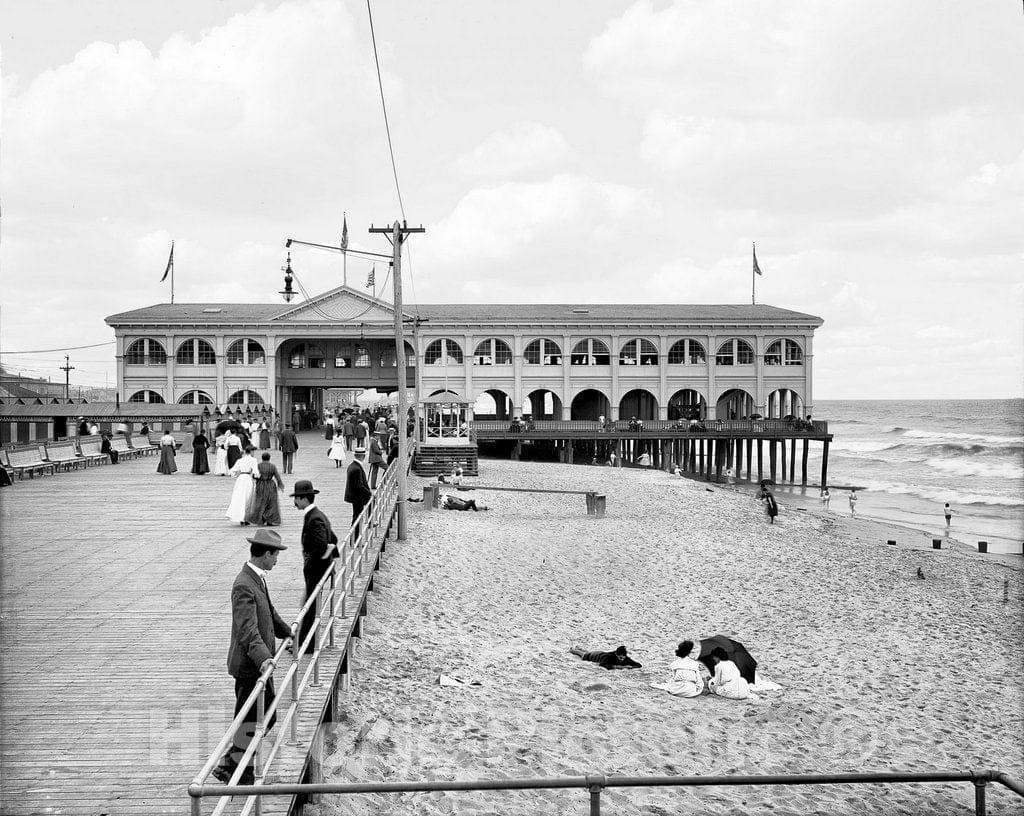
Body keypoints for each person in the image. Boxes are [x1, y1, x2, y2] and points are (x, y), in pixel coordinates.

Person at [212, 529, 292, 786]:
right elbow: (247, 630)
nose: (277, 561)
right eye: (275, 555)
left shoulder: (257, 578)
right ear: (265, 554)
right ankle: (231, 768)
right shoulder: (243, 584)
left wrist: (289, 632)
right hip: (250, 666)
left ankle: (235, 767)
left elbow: (269, 611)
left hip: (259, 663)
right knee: (251, 719)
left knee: (263, 716)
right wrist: (263, 659)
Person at [290, 480, 339, 655]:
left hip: (315, 570)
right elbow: (333, 539)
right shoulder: (318, 514)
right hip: (319, 569)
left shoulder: (314, 518)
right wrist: (330, 556)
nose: (294, 502)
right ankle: (302, 640)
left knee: (309, 607)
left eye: (296, 498)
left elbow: (321, 544)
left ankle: (307, 645)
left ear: (304, 499)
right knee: (308, 605)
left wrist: (311, 560)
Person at [247, 453, 285, 526]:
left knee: (260, 502)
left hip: (261, 485)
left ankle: (260, 519)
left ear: (262, 458)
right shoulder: (272, 466)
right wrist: (280, 485)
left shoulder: (258, 466)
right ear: (269, 458)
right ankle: (270, 519)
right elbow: (277, 477)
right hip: (270, 485)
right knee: (271, 503)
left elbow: (254, 476)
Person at [226, 446, 258, 525]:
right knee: (247, 498)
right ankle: (245, 517)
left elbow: (232, 471)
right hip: (247, 478)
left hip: (240, 479)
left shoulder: (240, 460)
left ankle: (239, 516)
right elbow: (256, 472)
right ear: (251, 452)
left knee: (239, 497)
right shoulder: (253, 460)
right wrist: (257, 477)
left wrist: (236, 475)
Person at [345, 447, 372, 535]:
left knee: (357, 517)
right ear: (363, 456)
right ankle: (355, 538)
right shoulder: (357, 468)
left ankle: (355, 538)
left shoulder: (352, 465)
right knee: (357, 518)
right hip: (357, 497)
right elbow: (359, 485)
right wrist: (369, 493)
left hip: (354, 496)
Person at [569, 644, 642, 670]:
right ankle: (573, 650)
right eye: (620, 658)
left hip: (600, 653)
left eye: (623, 658)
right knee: (583, 655)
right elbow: (603, 665)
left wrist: (631, 667)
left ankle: (579, 648)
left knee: (587, 652)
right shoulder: (609, 657)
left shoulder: (625, 658)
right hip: (595, 656)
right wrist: (620, 667)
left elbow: (638, 665)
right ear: (616, 655)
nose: (622, 660)